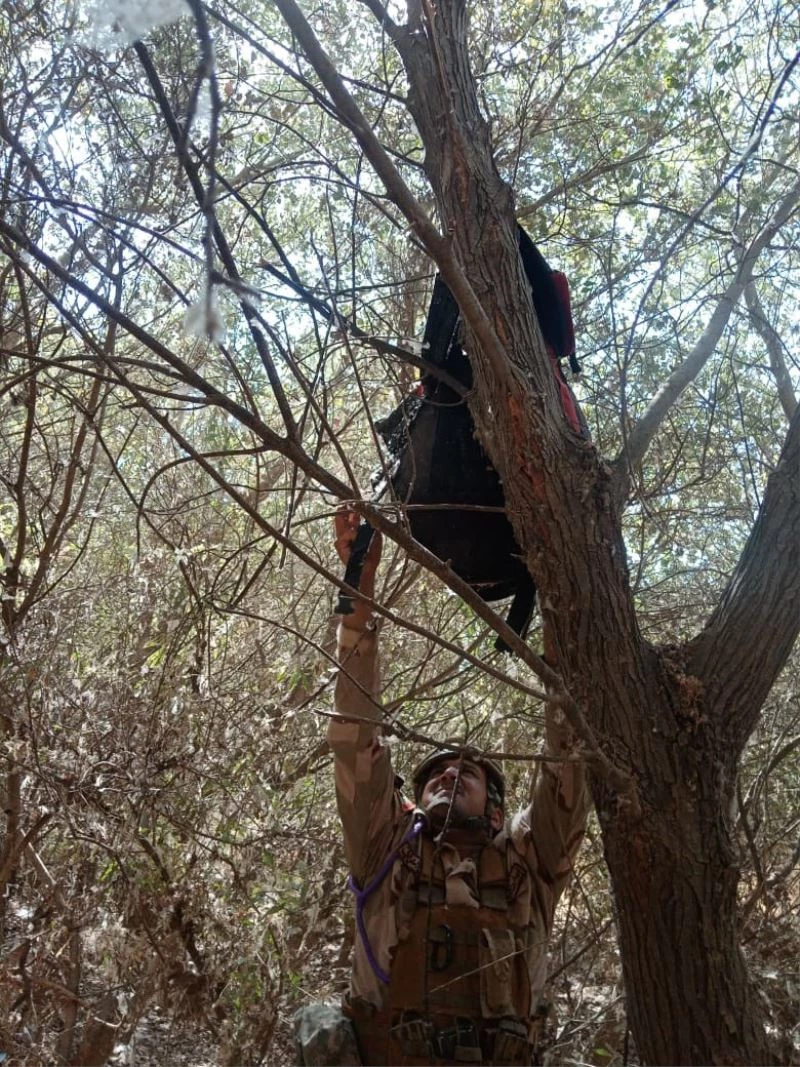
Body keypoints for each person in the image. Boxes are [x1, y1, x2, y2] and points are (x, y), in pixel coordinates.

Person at [296, 510, 589, 1066]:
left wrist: (560, 616)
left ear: (499, 814)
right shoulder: (388, 847)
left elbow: (568, 764)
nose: (450, 774)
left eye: (468, 773)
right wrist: (360, 589)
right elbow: (355, 736)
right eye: (436, 774)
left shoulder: (529, 862)